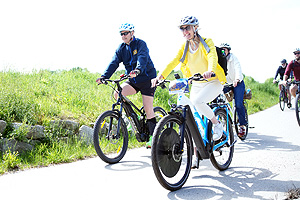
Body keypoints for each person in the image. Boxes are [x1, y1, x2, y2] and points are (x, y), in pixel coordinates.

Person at [151, 16, 226, 168]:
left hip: (213, 81)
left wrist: (210, 71)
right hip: (196, 83)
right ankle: (197, 151)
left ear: (195, 28)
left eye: (188, 28)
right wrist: (160, 76)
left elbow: (212, 56)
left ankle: (217, 124)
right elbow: (173, 61)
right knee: (193, 116)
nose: (185, 31)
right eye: (182, 28)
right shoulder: (184, 47)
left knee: (198, 102)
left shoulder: (207, 42)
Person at [96, 23, 157, 148]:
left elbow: (142, 58)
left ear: (132, 33)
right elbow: (114, 62)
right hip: (133, 79)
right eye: (121, 34)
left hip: (147, 79)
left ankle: (153, 137)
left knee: (148, 108)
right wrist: (104, 76)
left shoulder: (141, 44)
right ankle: (132, 117)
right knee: (117, 93)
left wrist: (138, 70)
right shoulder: (121, 48)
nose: (123, 36)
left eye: (125, 33)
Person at [220, 43, 247, 137]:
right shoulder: (219, 59)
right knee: (217, 99)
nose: (223, 51)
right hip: (226, 84)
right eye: (221, 50)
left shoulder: (233, 58)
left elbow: (238, 69)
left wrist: (237, 79)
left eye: (225, 49)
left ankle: (242, 126)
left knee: (238, 104)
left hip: (237, 83)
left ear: (228, 51)